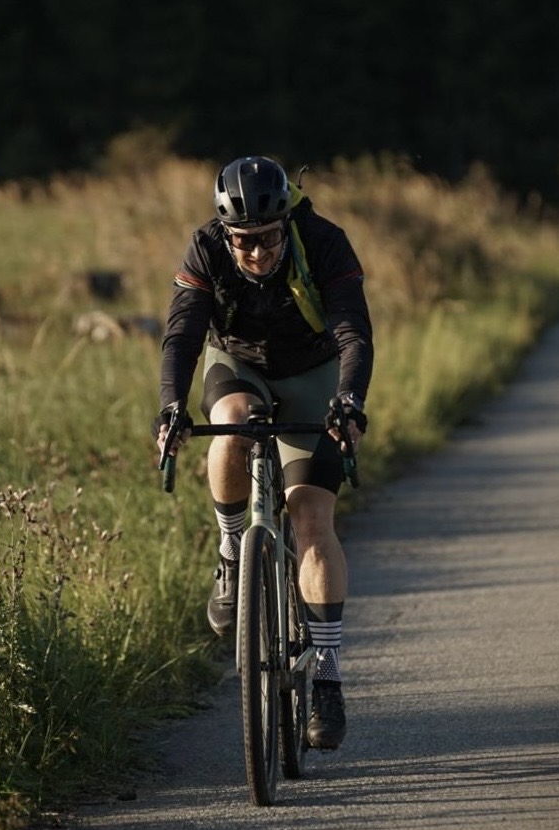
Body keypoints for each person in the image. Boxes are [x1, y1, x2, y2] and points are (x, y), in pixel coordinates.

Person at [155, 156, 373, 750]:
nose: (256, 252)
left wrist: (348, 401)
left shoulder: (323, 242)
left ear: (287, 225)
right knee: (230, 422)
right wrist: (171, 407)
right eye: (244, 240)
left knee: (312, 518)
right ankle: (232, 553)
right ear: (226, 232)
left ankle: (326, 676)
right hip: (239, 365)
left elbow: (353, 333)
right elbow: (182, 335)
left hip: (312, 371)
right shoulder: (206, 247)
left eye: (269, 239)